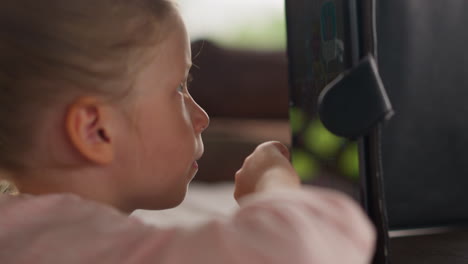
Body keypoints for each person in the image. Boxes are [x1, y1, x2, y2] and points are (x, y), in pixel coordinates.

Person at [0, 0, 375, 263]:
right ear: (97, 131)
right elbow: (307, 247)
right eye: (179, 88)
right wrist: (273, 183)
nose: (202, 117)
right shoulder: (81, 250)